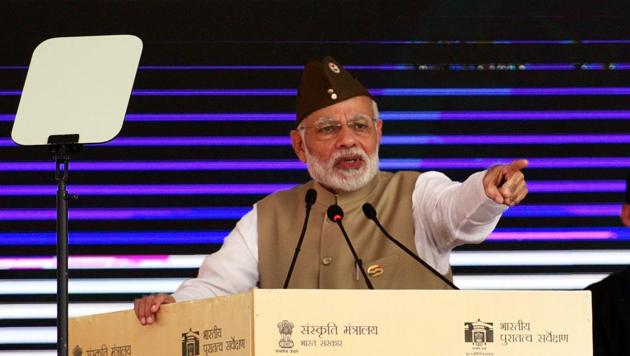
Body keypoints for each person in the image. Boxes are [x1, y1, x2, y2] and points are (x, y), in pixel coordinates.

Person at [134, 56, 528, 325]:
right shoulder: (269, 215)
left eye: (360, 126)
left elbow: (458, 211)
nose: (347, 141)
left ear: (378, 133)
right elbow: (217, 287)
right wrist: (174, 307)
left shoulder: (417, 193)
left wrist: (485, 190)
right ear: (299, 146)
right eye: (328, 129)